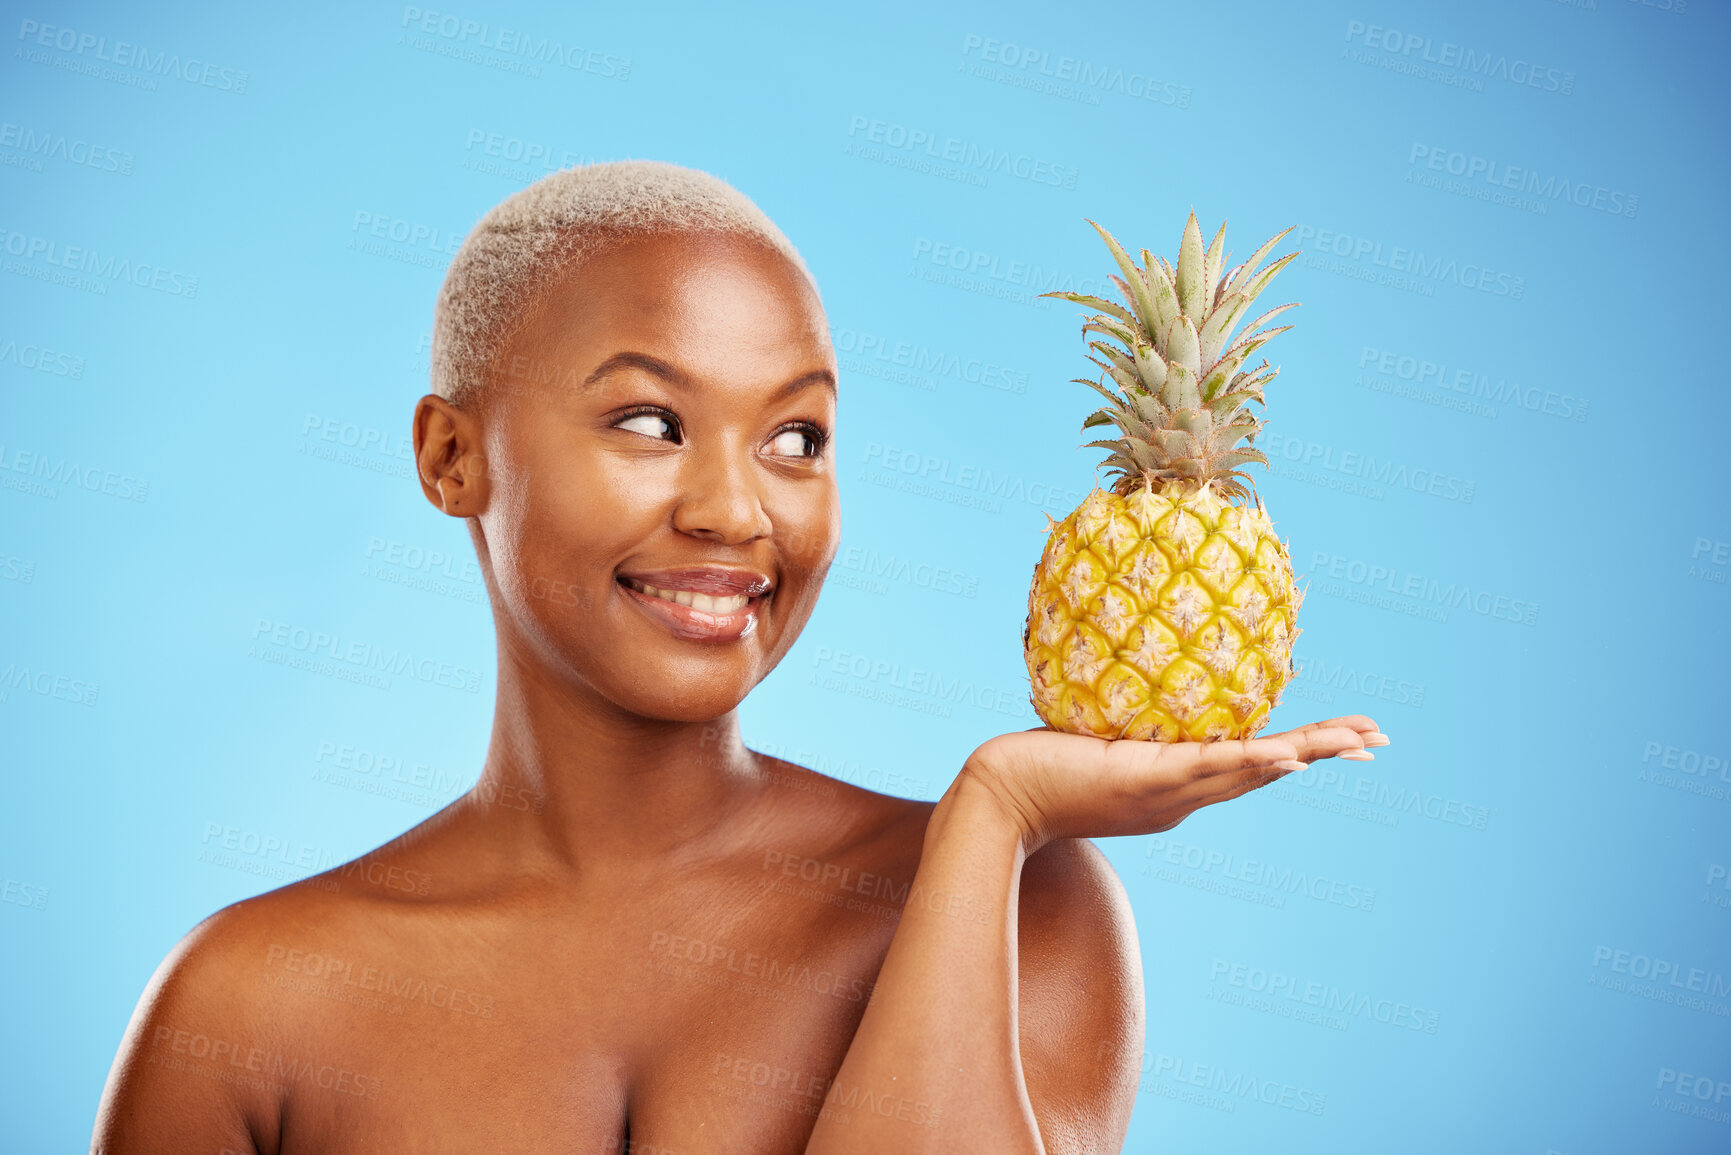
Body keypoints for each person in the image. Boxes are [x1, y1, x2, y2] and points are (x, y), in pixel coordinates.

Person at [92, 161, 1385, 1153]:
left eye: (797, 439)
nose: (737, 512)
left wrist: (991, 818)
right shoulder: (247, 1005)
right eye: (652, 422)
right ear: (451, 458)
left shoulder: (1020, 909)